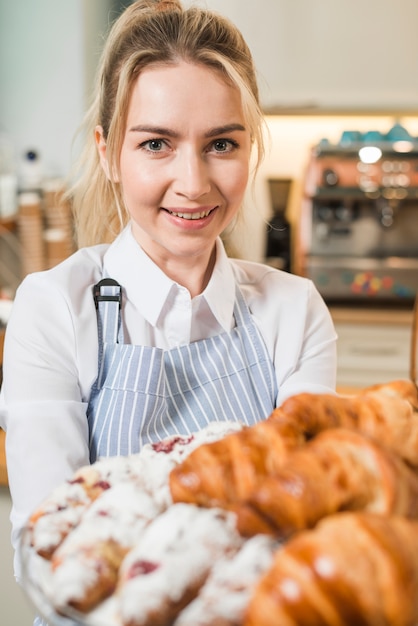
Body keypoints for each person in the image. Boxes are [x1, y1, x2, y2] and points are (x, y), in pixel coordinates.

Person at [0, 0, 337, 623]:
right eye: (157, 143)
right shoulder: (52, 310)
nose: (193, 181)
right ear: (108, 153)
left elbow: (303, 525)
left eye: (221, 144)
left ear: (250, 148)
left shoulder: (294, 311)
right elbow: (48, 547)